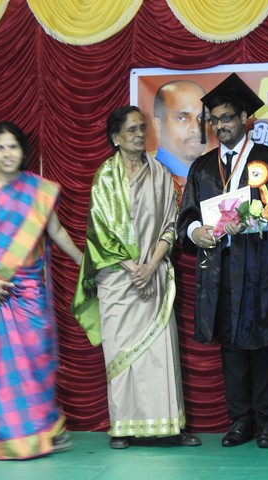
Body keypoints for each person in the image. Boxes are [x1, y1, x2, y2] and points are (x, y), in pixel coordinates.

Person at [72, 106, 201, 449]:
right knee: (122, 355)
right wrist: (133, 268)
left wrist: (151, 265)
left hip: (153, 276)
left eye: (142, 128)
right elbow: (99, 231)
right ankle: (123, 427)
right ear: (116, 138)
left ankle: (169, 427)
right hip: (118, 279)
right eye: (131, 130)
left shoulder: (159, 173)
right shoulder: (105, 176)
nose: (140, 135)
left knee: (160, 354)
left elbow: (171, 225)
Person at [177, 73, 268, 449]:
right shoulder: (203, 167)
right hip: (221, 269)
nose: (220, 126)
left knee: (264, 346)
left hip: (259, 265)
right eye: (214, 120)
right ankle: (240, 421)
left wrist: (254, 217)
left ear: (244, 117)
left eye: (227, 117)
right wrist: (196, 232)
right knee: (231, 347)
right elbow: (187, 217)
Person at [0, 121, 83, 460]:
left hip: (27, 289)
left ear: (22, 151)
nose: (7, 153)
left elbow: (56, 231)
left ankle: (43, 429)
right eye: (0, 147)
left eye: (12, 146)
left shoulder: (36, 190)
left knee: (35, 358)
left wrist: (82, 261)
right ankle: (3, 439)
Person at [153, 79, 207, 203]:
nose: (196, 128)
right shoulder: (147, 180)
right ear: (158, 126)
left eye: (202, 117)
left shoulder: (214, 174)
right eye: (181, 118)